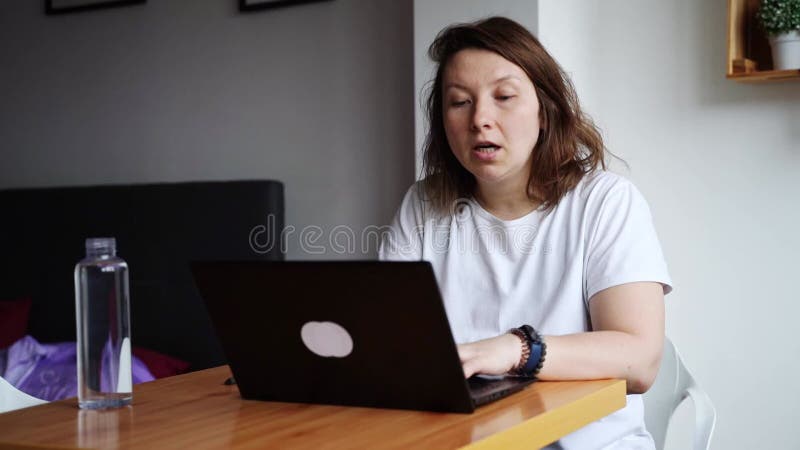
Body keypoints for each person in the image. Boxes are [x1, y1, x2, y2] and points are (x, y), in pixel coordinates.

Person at [378, 17, 672, 450]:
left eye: (504, 97)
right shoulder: (424, 204)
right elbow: (385, 336)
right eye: (459, 102)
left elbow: (641, 359)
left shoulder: (605, 201)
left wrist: (514, 350)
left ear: (545, 109)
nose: (480, 119)